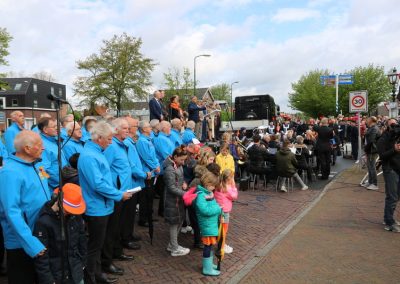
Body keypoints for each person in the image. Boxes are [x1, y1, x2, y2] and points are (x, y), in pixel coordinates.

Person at [78, 121, 132, 284]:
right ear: (99, 138)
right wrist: (118, 195)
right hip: (97, 207)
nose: (111, 141)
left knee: (99, 244)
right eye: (109, 139)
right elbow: (98, 184)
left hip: (103, 205)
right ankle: (91, 277)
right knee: (95, 245)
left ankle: (97, 273)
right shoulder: (89, 156)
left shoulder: (97, 152)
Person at [0, 130, 51, 284]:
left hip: (40, 232)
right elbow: (12, 212)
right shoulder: (10, 172)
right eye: (39, 145)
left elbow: (45, 188)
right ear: (27, 149)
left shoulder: (38, 165)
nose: (43, 148)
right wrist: (31, 243)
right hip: (22, 241)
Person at [33, 183, 87, 284]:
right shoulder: (43, 223)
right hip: (56, 276)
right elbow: (41, 256)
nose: (70, 213)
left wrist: (83, 262)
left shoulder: (75, 216)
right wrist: (48, 280)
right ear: (58, 201)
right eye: (68, 211)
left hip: (76, 271)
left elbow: (82, 238)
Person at [102, 118, 134, 275]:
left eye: (128, 128)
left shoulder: (124, 145)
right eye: (124, 128)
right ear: (115, 130)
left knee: (119, 225)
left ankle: (117, 251)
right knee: (112, 228)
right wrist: (115, 189)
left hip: (125, 192)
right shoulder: (111, 147)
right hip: (116, 193)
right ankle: (108, 261)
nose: (127, 130)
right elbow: (105, 169)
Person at [122, 117, 149, 250]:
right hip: (131, 183)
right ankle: (126, 238)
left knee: (131, 211)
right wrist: (143, 174)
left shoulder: (130, 142)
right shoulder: (127, 144)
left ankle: (129, 234)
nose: (137, 128)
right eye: (135, 126)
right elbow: (131, 165)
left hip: (135, 182)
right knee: (128, 212)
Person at [163, 145, 191, 256]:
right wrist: (186, 194)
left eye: (184, 160)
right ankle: (174, 248)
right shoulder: (170, 169)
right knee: (174, 223)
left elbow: (179, 180)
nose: (183, 162)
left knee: (179, 220)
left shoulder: (178, 165)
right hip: (172, 200)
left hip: (178, 199)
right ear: (175, 157)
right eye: (181, 160)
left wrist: (183, 183)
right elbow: (171, 188)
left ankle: (172, 244)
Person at [194, 172, 222, 276]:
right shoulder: (201, 195)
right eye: (213, 185)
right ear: (207, 184)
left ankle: (209, 264)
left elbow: (213, 206)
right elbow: (205, 210)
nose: (214, 188)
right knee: (208, 246)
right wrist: (218, 209)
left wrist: (220, 210)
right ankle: (207, 268)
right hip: (207, 226)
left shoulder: (208, 193)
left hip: (210, 225)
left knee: (209, 246)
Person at [377, 119, 400, 232]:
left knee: (396, 196)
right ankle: (389, 222)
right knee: (392, 196)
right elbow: (382, 156)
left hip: (398, 168)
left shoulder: (397, 137)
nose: (395, 126)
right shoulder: (383, 139)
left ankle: (388, 218)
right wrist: (394, 150)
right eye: (392, 124)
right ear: (387, 126)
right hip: (390, 169)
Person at [136, 121, 161, 227]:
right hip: (148, 172)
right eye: (148, 127)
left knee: (150, 196)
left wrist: (157, 165)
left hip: (152, 172)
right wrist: (155, 167)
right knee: (145, 197)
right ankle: (143, 219)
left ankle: (149, 216)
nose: (151, 128)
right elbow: (146, 157)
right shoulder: (142, 141)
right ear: (143, 129)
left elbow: (153, 155)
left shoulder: (148, 140)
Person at [38, 117, 68, 190]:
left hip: (63, 183)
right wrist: (54, 184)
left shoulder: (54, 141)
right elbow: (41, 170)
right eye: (54, 126)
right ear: (45, 130)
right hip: (54, 188)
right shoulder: (42, 145)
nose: (57, 128)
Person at [214, 169, 238, 254]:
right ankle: (222, 247)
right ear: (229, 179)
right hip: (225, 211)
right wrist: (234, 186)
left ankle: (221, 244)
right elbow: (234, 196)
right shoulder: (227, 188)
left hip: (218, 209)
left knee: (219, 228)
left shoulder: (219, 185)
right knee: (224, 230)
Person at [362, 116, 380, 190]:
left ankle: (374, 184)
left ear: (371, 121)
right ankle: (370, 182)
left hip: (372, 150)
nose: (366, 120)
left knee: (372, 167)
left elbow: (371, 140)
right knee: (369, 167)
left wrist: (366, 149)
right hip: (370, 149)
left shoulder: (374, 128)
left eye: (368, 119)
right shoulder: (371, 128)